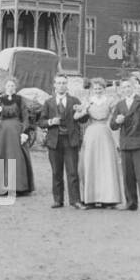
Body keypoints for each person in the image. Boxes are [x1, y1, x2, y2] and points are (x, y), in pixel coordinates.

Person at [110, 79, 140, 214]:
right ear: (121, 90)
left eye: (129, 87)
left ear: (134, 88)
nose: (126, 89)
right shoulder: (120, 105)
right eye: (124, 87)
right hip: (125, 144)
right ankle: (131, 203)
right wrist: (117, 121)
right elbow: (112, 125)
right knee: (128, 176)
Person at [41, 74, 85, 209]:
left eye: (64, 83)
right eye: (59, 83)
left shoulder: (74, 101)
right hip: (54, 141)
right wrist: (50, 121)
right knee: (56, 172)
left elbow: (83, 120)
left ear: (67, 85)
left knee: (72, 171)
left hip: (70, 140)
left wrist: (83, 111)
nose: (61, 85)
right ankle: (58, 200)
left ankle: (75, 200)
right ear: (54, 85)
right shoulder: (48, 102)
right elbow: (41, 122)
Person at [79, 78, 123, 208]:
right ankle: (90, 198)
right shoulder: (88, 101)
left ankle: (108, 198)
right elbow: (79, 116)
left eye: (100, 88)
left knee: (106, 163)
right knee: (90, 162)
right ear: (92, 89)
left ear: (104, 89)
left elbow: (116, 116)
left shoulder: (110, 101)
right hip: (91, 133)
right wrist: (83, 110)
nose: (98, 90)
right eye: (95, 88)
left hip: (105, 132)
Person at [0, 92, 34, 195]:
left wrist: (24, 132)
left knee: (16, 156)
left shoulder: (20, 99)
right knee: (0, 155)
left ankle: (18, 187)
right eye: (8, 86)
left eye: (12, 86)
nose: (10, 88)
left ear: (15, 87)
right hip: (3, 132)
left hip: (16, 130)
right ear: (6, 88)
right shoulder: (0, 100)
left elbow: (25, 116)